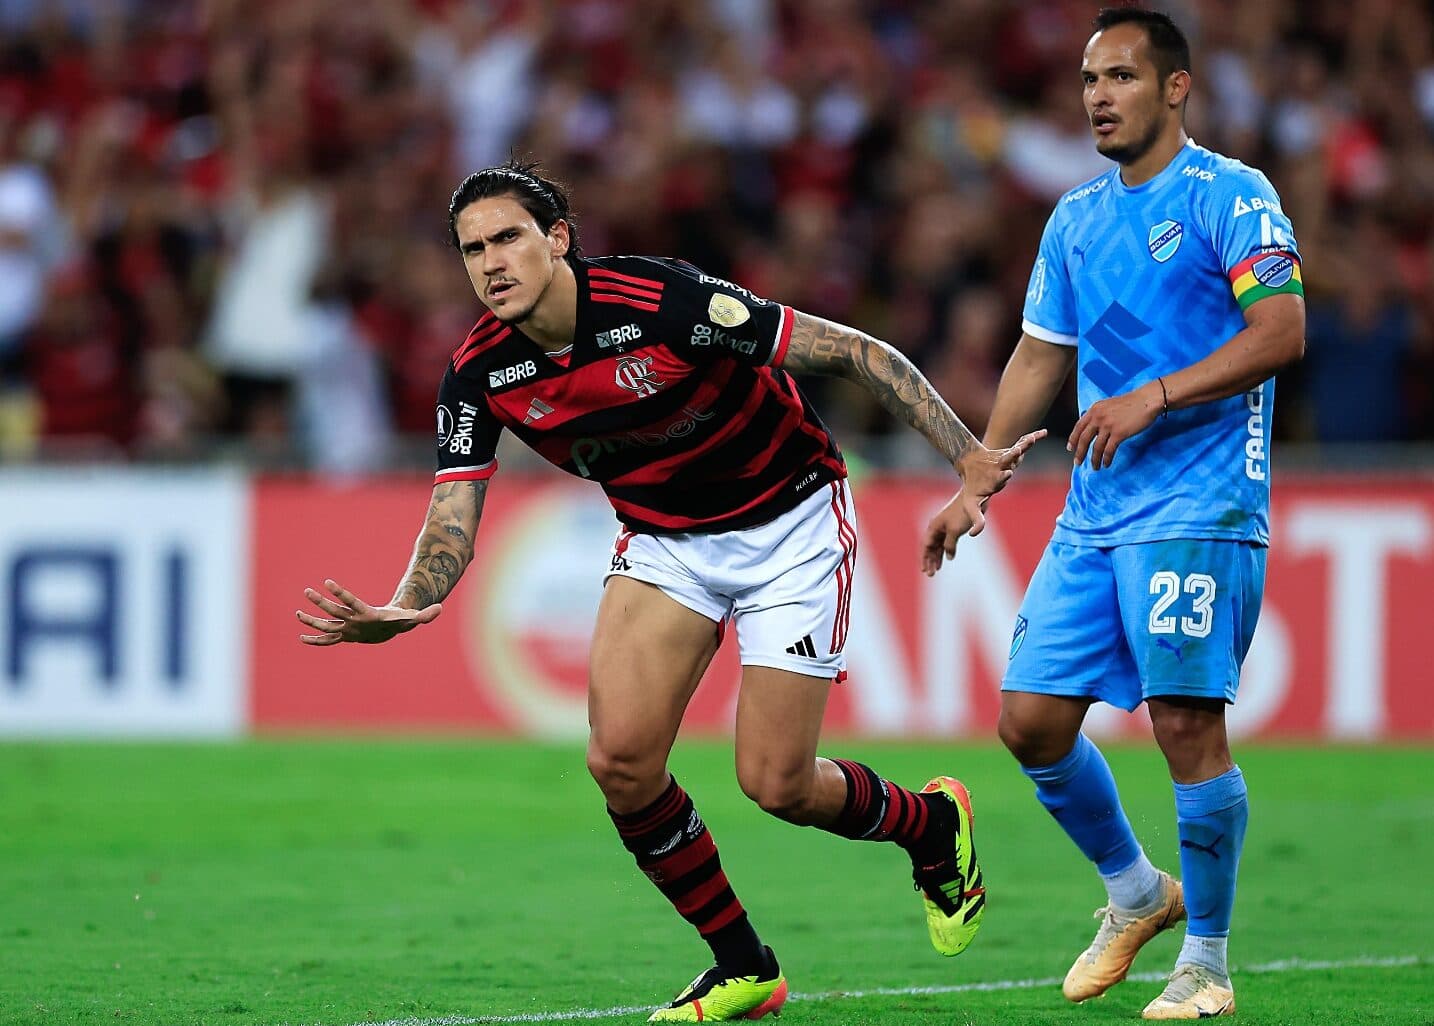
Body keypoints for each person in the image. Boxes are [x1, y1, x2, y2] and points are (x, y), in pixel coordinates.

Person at [297, 160, 1043, 1022]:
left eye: (508, 237)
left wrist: (967, 457)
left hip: (790, 524)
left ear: (559, 240)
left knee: (778, 785)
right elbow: (453, 511)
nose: (492, 262)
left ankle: (931, 826)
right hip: (666, 545)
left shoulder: (661, 302)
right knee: (619, 760)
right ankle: (743, 965)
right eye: (473, 249)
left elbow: (853, 351)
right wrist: (406, 600)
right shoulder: (480, 373)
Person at [926, 8, 1305, 1020]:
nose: (1098, 94)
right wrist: (975, 482)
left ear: (1175, 88)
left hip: (1202, 496)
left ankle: (1209, 963)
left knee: (1185, 724)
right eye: (1090, 78)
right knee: (1031, 721)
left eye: (1123, 77)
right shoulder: (1075, 219)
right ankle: (1139, 893)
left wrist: (1158, 394)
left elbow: (1282, 330)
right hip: (1098, 509)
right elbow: (1041, 354)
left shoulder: (1234, 196)